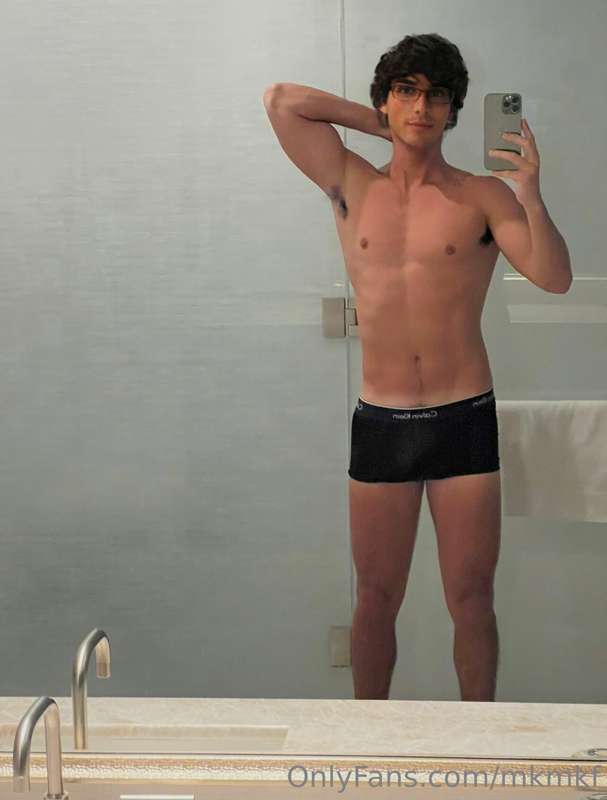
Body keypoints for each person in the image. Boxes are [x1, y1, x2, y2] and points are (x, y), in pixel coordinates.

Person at [263, 33, 571, 701]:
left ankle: (480, 740)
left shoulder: (483, 196)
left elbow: (553, 277)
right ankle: (370, 742)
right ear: (386, 99)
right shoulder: (350, 182)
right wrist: (380, 122)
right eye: (406, 92)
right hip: (382, 419)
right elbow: (282, 101)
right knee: (375, 598)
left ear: (454, 109)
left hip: (462, 416)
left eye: (435, 96)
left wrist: (529, 193)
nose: (421, 107)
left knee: (472, 597)